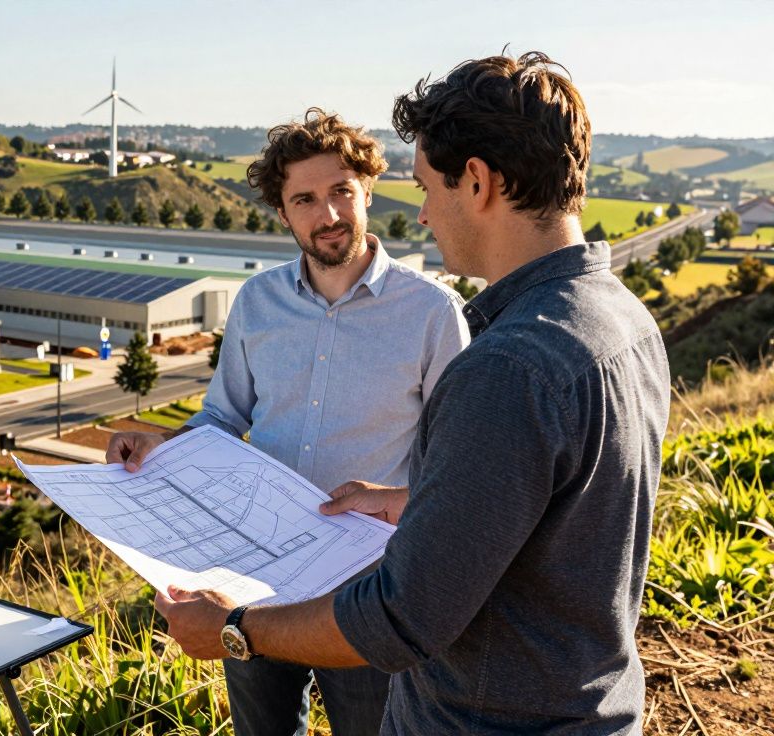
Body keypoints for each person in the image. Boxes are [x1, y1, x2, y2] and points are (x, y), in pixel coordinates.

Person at [152, 51, 671, 735]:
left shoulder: (507, 368)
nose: (422, 214)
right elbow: (518, 507)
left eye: (427, 187)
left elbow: (401, 616)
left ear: (478, 182)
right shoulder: (623, 320)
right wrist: (406, 502)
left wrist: (232, 630)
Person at [107, 108, 469, 736]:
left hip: (367, 590)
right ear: (282, 211)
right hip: (250, 578)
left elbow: (459, 464)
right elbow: (223, 418)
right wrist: (158, 446)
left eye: (340, 192)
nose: (327, 215)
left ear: (368, 191)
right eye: (305, 199)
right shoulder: (257, 302)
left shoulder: (433, 312)